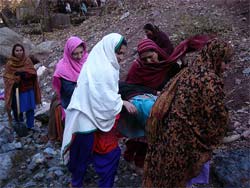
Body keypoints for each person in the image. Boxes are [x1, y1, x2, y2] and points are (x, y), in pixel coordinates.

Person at [143, 38, 233, 188]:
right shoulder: (210, 80)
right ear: (216, 58)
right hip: (185, 140)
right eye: (225, 62)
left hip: (167, 133)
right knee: (180, 176)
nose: (227, 67)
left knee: (168, 175)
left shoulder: (190, 70)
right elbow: (216, 115)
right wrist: (223, 130)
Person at [119, 35, 214, 169]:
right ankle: (134, 160)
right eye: (144, 58)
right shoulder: (138, 67)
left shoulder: (166, 64)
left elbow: (178, 78)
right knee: (144, 136)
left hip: (164, 101)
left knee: (155, 136)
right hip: (145, 103)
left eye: (151, 56)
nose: (149, 61)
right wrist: (152, 93)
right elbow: (130, 86)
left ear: (156, 51)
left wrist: (183, 62)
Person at [61, 33, 137, 188]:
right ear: (109, 50)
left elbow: (107, 94)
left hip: (89, 117)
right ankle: (78, 183)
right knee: (87, 153)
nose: (121, 57)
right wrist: (121, 102)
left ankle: (79, 182)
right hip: (85, 118)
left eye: (123, 53)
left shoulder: (103, 64)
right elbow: (104, 98)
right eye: (119, 53)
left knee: (89, 153)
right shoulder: (102, 69)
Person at [51, 36, 88, 141]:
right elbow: (69, 90)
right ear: (68, 53)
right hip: (71, 104)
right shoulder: (63, 68)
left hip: (87, 102)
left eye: (81, 52)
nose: (79, 56)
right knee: (75, 133)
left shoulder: (88, 60)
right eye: (75, 54)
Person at [3, 43, 41, 129]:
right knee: (17, 108)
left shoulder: (27, 61)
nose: (19, 52)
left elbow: (33, 73)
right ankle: (19, 124)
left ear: (23, 51)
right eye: (17, 50)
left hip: (28, 88)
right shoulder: (10, 63)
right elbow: (6, 76)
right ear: (13, 52)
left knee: (30, 108)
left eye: (21, 50)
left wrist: (24, 75)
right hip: (16, 90)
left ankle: (30, 125)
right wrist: (14, 80)